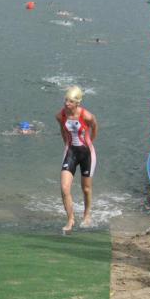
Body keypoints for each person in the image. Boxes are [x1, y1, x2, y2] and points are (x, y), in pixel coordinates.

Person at [56, 86, 98, 233]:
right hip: (71, 152)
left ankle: (87, 215)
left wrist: (90, 142)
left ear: (77, 103)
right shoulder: (60, 115)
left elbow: (95, 127)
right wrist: (66, 144)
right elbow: (62, 130)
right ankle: (70, 219)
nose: (67, 103)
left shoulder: (87, 116)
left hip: (87, 153)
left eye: (70, 101)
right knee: (64, 188)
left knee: (86, 188)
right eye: (66, 100)